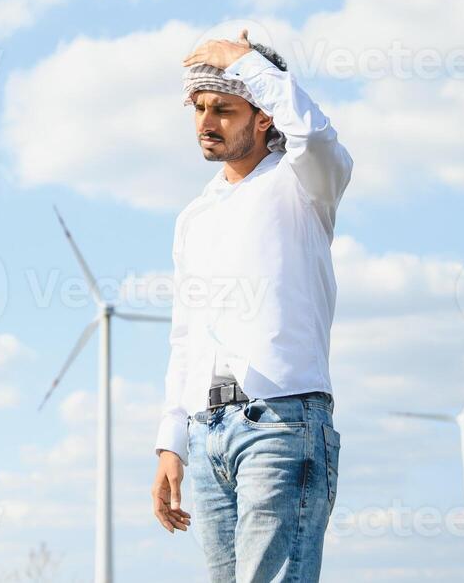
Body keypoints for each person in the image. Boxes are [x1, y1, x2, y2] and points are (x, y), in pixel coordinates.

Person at [151, 29, 353, 583]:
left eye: (223, 108)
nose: (205, 121)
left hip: (282, 420)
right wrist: (172, 441)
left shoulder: (302, 183)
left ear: (263, 116)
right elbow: (186, 332)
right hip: (207, 427)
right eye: (198, 107)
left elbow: (315, 135)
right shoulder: (194, 216)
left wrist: (245, 60)